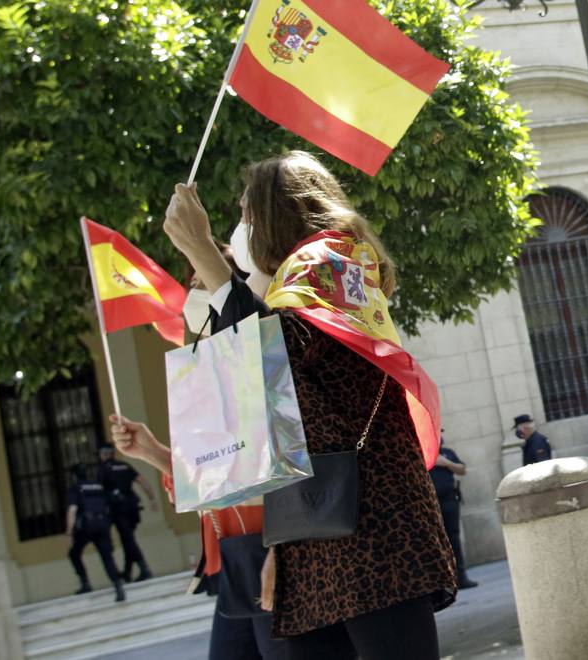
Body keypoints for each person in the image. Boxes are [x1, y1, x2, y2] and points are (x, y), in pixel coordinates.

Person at [163, 151, 455, 660]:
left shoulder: (332, 264)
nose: (240, 226)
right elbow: (288, 419)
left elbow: (278, 372)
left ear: (278, 216)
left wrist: (206, 257)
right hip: (316, 531)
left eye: (247, 213)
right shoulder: (290, 284)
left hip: (373, 530)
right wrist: (282, 542)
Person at [110, 413, 288, 659]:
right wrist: (152, 453)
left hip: (273, 555)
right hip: (237, 563)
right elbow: (214, 483)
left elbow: (296, 462)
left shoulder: (252, 387)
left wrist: (285, 546)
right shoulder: (203, 398)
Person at [66, 462, 126, 602]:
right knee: (107, 557)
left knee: (74, 553)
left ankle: (85, 583)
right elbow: (109, 503)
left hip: (86, 526)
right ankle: (118, 586)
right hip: (103, 524)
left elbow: (72, 509)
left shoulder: (76, 488)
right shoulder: (98, 486)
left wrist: (69, 532)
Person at [98, 442, 157, 582]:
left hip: (118, 509)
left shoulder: (103, 469)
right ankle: (127, 572)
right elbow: (143, 482)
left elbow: (100, 491)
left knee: (128, 539)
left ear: (105, 454)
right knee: (127, 539)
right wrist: (153, 499)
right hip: (133, 508)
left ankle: (144, 568)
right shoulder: (125, 466)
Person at [429, 434, 477, 589]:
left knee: (454, 539)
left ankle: (461, 577)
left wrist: (446, 463)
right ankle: (444, 582)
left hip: (450, 500)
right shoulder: (423, 454)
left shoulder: (447, 453)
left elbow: (462, 469)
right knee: (437, 541)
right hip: (432, 505)